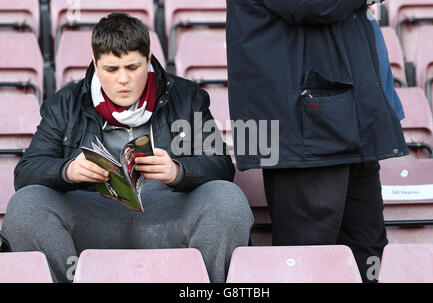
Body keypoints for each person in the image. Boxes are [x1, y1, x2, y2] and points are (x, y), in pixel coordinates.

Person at [1, 13, 253, 283]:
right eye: (111, 69)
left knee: (227, 198)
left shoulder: (185, 97)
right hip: (93, 214)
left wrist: (179, 171)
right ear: (95, 65)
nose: (123, 79)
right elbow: (26, 172)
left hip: (170, 212)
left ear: (148, 60)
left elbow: (220, 165)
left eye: (133, 67)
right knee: (26, 206)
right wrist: (68, 171)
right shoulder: (66, 104)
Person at [226, 0, 408, 282]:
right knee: (307, 261)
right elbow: (312, 4)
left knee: (367, 252)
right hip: (302, 131)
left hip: (347, 119)